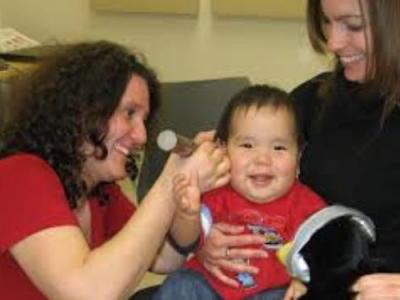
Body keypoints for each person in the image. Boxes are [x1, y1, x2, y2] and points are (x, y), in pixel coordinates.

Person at [200, 1, 400, 299]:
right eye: (327, 22)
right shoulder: (312, 102)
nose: (332, 42)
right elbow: (228, 186)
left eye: (354, 25)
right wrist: (206, 242)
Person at [0, 40, 230, 300]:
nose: (142, 136)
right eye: (129, 113)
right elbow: (88, 293)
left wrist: (191, 210)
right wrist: (170, 182)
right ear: (81, 110)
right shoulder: (18, 175)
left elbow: (164, 257)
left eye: (143, 120)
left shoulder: (99, 192)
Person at [153, 84, 326, 300]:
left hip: (272, 292)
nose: (262, 159)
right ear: (223, 150)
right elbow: (186, 241)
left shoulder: (308, 206)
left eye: (279, 148)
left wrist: (305, 281)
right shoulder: (216, 192)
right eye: (247, 145)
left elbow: (327, 253)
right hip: (209, 289)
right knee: (180, 284)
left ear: (298, 157)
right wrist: (187, 214)